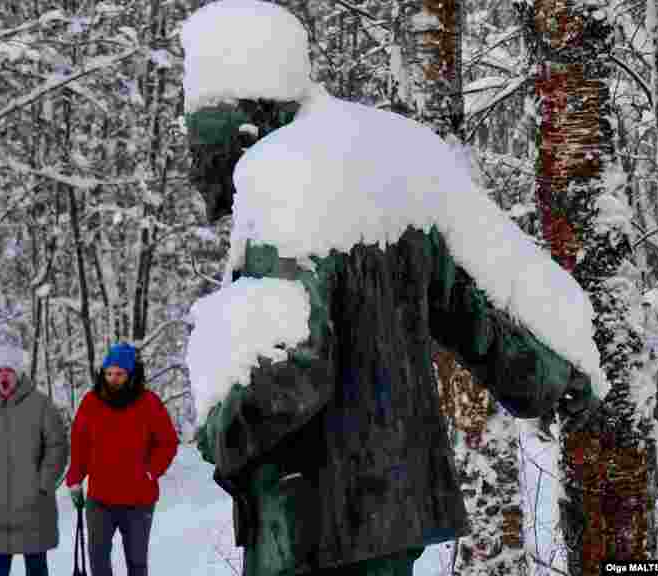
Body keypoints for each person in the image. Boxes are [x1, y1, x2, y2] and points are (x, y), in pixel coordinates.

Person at [181, 2, 603, 575]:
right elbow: (487, 290)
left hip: (313, 519)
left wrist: (220, 428)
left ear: (245, 113)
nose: (197, 158)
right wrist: (560, 374)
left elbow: (291, 365)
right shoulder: (396, 150)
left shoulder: (278, 177)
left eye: (200, 128)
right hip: (397, 503)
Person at [65, 343, 180, 576]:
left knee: (137, 564)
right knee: (98, 562)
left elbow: (168, 442)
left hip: (138, 501)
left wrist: (150, 471)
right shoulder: (91, 402)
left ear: (130, 374)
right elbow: (80, 445)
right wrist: (75, 479)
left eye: (119, 374)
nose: (113, 379)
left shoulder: (148, 403)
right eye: (108, 373)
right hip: (100, 499)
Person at [0, 343, 69, 576]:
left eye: (8, 370)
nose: (3, 375)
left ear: (19, 374)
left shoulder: (40, 404)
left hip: (35, 506)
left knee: (36, 568)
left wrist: (44, 484)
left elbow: (57, 446)